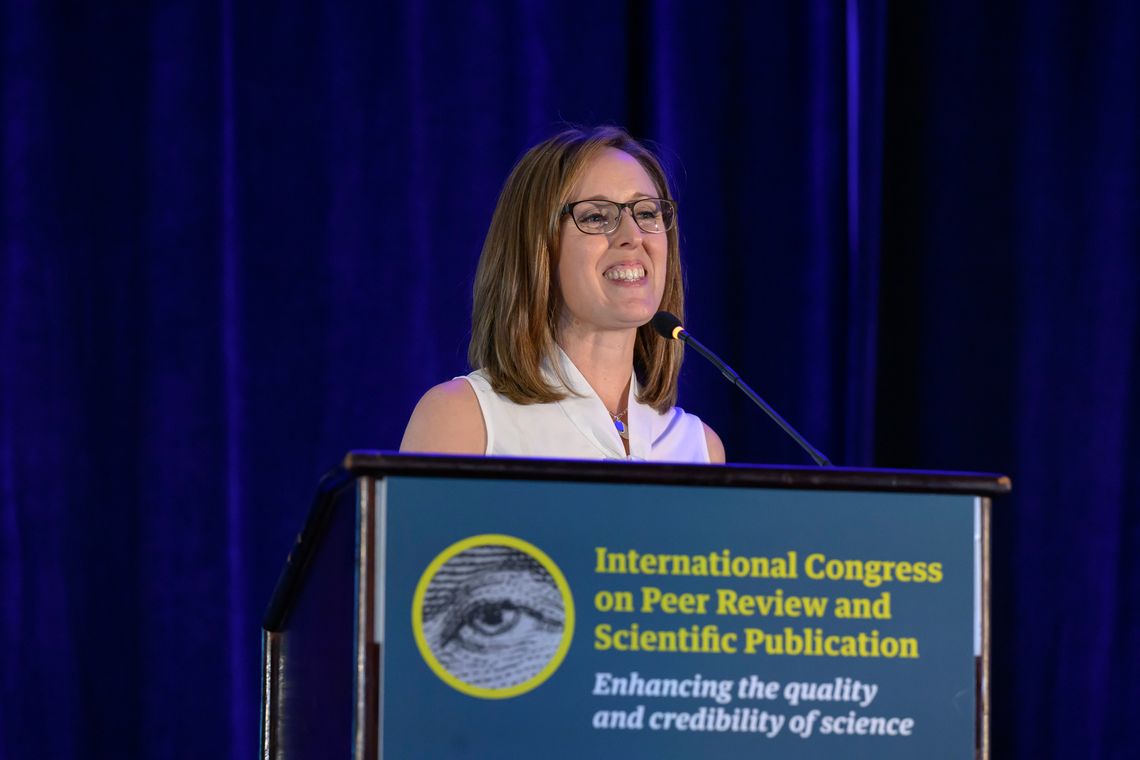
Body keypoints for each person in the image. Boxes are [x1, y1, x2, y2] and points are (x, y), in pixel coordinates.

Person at [400, 125, 724, 463]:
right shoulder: (464, 420)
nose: (633, 236)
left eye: (646, 213)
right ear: (536, 248)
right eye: (597, 216)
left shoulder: (699, 448)